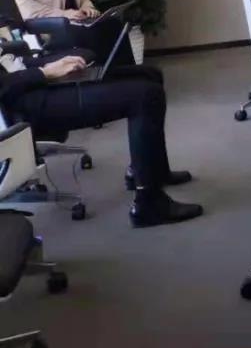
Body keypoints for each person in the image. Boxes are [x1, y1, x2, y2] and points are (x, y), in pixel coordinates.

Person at [0, 48, 202, 227]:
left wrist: (50, 63)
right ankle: (149, 204)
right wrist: (43, 72)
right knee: (146, 95)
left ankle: (153, 171)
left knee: (150, 74)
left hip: (25, 83)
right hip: (18, 106)